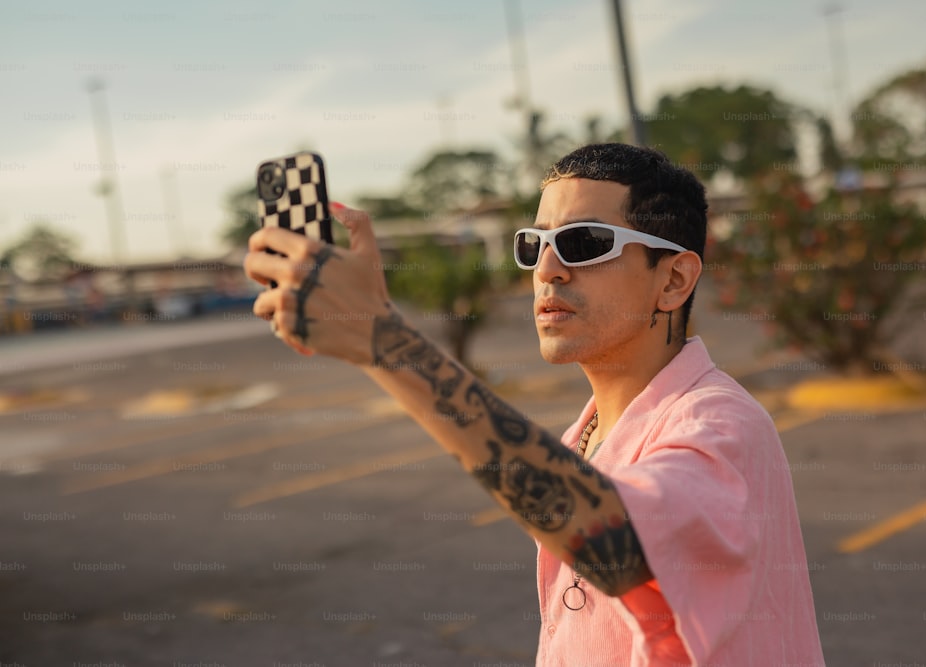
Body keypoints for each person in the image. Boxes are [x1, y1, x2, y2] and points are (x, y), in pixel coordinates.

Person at [244, 143, 826, 666]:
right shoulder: (587, 432)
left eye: (583, 243)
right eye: (536, 244)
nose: (548, 269)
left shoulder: (721, 424)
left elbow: (610, 542)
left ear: (674, 280)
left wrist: (384, 342)